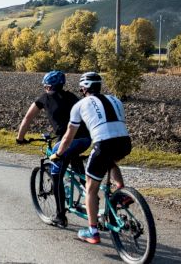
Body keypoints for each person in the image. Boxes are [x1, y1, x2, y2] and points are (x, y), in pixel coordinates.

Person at [51, 72, 131, 245]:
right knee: (110, 161)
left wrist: (57, 154)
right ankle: (122, 192)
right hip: (125, 142)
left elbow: (67, 138)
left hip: (103, 144)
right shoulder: (115, 99)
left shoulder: (80, 105)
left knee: (90, 188)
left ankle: (92, 231)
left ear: (84, 88)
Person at [16, 70, 91, 226]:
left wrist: (20, 138)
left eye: (45, 86)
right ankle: (90, 194)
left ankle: (60, 216)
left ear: (48, 86)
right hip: (86, 139)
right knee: (74, 160)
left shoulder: (44, 99)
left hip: (68, 140)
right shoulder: (72, 96)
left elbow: (27, 118)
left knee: (56, 175)